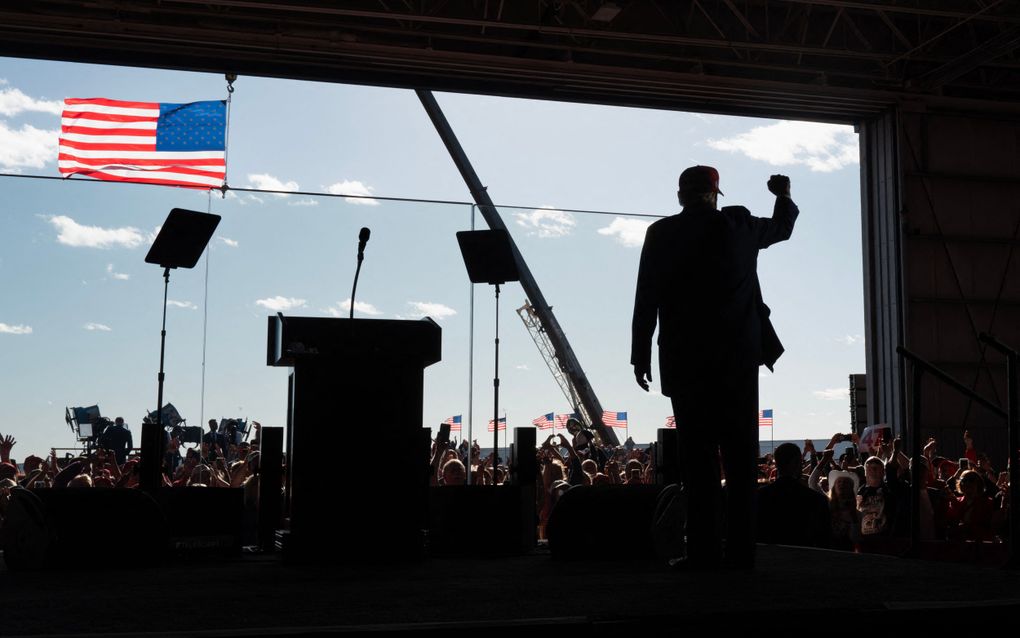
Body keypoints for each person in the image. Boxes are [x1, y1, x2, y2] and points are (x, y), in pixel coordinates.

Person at [631, 165, 799, 569]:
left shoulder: (661, 234)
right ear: (714, 194)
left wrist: (639, 354)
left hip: (687, 365)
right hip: (738, 363)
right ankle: (742, 554)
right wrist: (784, 193)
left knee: (699, 463)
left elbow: (646, 298)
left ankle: (703, 553)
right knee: (741, 463)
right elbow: (782, 228)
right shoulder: (738, 225)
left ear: (680, 196)